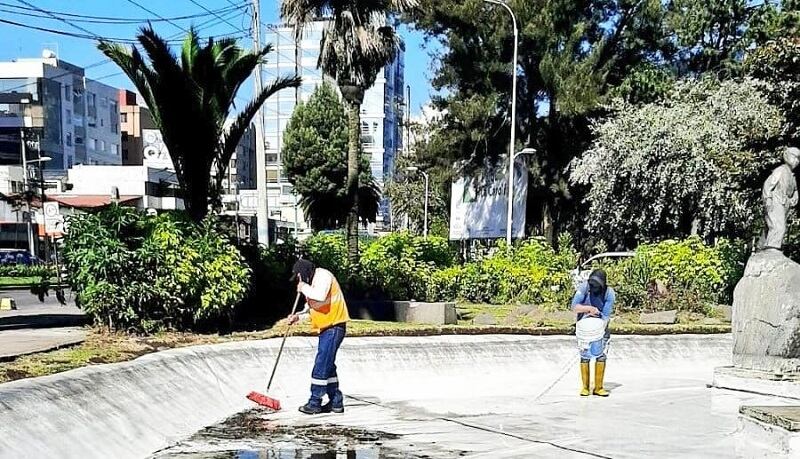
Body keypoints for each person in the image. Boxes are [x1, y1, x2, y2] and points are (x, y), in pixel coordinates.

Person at [287, 259, 350, 415]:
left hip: (334, 326)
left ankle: (315, 402)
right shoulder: (312, 282)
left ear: (305, 273)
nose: (298, 281)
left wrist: (304, 287)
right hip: (325, 328)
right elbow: (312, 307)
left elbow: (320, 296)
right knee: (328, 365)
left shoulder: (323, 276)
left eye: (299, 277)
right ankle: (336, 402)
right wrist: (298, 317)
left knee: (321, 365)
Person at [571, 269, 615, 397]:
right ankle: (585, 387)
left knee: (601, 355)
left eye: (596, 285)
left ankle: (598, 387)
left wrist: (599, 332)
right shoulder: (584, 287)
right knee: (585, 355)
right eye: (592, 284)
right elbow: (574, 307)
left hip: (600, 326)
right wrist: (589, 309)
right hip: (584, 325)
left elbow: (606, 315)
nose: (593, 287)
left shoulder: (609, 293)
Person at [761, 146, 800, 250]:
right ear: (787, 156)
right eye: (794, 157)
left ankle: (771, 247)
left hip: (784, 204)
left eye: (798, 158)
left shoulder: (792, 176)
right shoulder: (781, 170)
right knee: (778, 226)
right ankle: (771, 248)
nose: (796, 160)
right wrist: (768, 198)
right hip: (776, 201)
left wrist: (795, 197)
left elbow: (795, 190)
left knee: (779, 226)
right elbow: (768, 184)